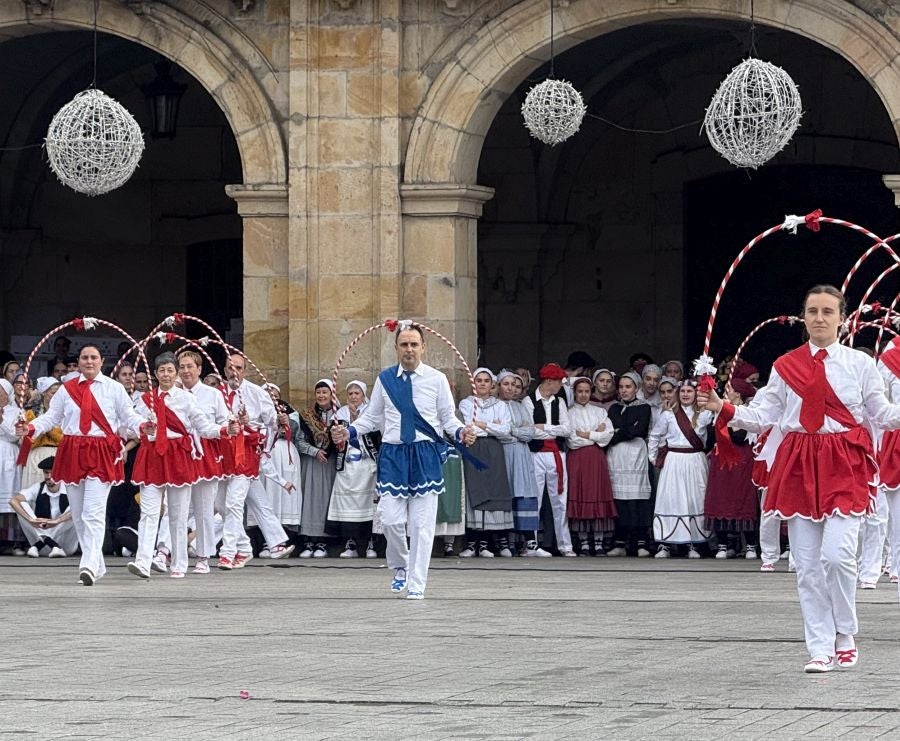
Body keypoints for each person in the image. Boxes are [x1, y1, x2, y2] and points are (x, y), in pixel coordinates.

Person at [699, 284, 900, 673]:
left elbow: (882, 413)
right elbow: (764, 416)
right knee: (807, 565)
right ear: (803, 318)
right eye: (813, 311)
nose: (820, 318)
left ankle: (845, 631)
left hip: (845, 462)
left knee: (838, 556)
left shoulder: (860, 365)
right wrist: (723, 407)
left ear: (842, 319)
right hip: (798, 464)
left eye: (828, 312)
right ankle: (820, 647)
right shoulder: (785, 365)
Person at [331, 323, 475, 599]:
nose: (409, 349)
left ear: (423, 347)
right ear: (396, 348)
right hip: (394, 454)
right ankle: (401, 564)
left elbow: (448, 417)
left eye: (414, 344)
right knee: (389, 519)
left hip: (424, 454)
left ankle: (417, 583)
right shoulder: (385, 379)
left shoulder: (436, 379)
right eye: (404, 344)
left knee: (422, 524)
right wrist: (349, 431)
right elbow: (372, 417)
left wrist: (460, 432)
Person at [16, 343, 148, 585]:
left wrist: (143, 425)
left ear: (101, 362)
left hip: (100, 451)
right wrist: (31, 428)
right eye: (85, 357)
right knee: (77, 514)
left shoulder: (114, 388)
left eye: (93, 357)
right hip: (73, 451)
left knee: (92, 512)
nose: (89, 361)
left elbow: (129, 415)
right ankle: (97, 563)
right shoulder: (66, 390)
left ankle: (87, 564)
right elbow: (51, 417)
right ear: (79, 362)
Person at [127, 353, 233, 579]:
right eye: (161, 370)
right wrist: (142, 427)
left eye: (170, 370)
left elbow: (204, 427)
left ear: (175, 374)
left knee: (178, 513)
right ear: (155, 374)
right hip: (152, 456)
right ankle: (143, 561)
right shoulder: (145, 400)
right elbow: (129, 424)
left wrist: (224, 430)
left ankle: (179, 562)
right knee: (149, 512)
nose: (166, 374)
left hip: (178, 456)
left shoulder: (186, 399)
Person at [215, 353, 279, 570]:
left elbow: (272, 422)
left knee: (234, 502)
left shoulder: (256, 393)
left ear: (245, 370)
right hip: (223, 454)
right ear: (225, 370)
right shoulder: (218, 393)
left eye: (239, 368)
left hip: (246, 455)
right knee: (220, 504)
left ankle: (227, 552)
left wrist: (251, 425)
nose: (234, 372)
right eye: (230, 368)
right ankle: (244, 547)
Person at [177, 350, 229, 574]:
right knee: (174, 508)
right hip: (179, 454)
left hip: (205, 454)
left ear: (199, 369)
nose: (186, 371)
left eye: (190, 366)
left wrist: (225, 428)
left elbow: (224, 421)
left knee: (204, 508)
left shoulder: (212, 394)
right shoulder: (173, 393)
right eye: (182, 367)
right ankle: (167, 551)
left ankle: (203, 556)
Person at [648, 379, 713, 558]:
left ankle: (694, 544)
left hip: (695, 460)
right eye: (682, 391)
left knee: (695, 499)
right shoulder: (669, 414)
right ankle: (665, 544)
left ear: (696, 393)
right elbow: (655, 435)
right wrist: (653, 458)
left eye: (689, 391)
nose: (685, 394)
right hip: (674, 461)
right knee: (671, 499)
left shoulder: (705, 414)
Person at [458, 368, 514, 557]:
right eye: (479, 380)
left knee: (495, 490)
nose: (482, 383)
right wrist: (492, 425)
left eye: (486, 381)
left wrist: (482, 424)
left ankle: (486, 543)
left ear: (492, 385)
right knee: (475, 490)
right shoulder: (467, 403)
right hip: (474, 448)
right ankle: (472, 543)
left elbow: (505, 430)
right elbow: (467, 427)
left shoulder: (500, 405)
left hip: (494, 450)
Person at [704, 375, 760, 560]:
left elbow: (740, 437)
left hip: (741, 461)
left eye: (730, 389)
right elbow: (710, 438)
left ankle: (750, 545)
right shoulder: (718, 411)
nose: (725, 392)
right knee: (720, 499)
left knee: (744, 499)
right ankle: (723, 544)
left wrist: (728, 423)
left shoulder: (748, 412)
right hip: (721, 462)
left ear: (738, 393)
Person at [523, 363, 576, 557]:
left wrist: (544, 427)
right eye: (558, 381)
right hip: (536, 454)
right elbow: (530, 431)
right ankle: (532, 544)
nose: (560, 385)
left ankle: (565, 545)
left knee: (560, 500)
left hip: (556, 454)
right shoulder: (528, 401)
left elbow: (567, 429)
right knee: (535, 499)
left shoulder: (559, 402)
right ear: (549, 381)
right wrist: (552, 430)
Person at [496, 370, 548, 556]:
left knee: (524, 494)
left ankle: (530, 542)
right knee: (507, 494)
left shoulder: (521, 407)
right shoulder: (494, 406)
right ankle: (506, 542)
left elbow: (530, 433)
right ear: (498, 386)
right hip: (503, 454)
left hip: (522, 455)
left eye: (514, 385)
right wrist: (517, 431)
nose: (510, 388)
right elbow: (499, 433)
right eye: (506, 384)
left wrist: (513, 431)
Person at [327, 381, 379, 558]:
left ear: (364, 396)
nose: (354, 396)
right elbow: (332, 440)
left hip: (367, 465)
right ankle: (351, 544)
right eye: (350, 393)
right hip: (347, 465)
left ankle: (371, 543)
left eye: (357, 393)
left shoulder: (371, 412)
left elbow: (376, 436)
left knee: (369, 504)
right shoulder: (340, 414)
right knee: (347, 506)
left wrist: (357, 421)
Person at [566, 377, 616, 555]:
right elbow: (572, 439)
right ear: (574, 393)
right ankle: (584, 542)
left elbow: (608, 435)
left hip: (596, 459)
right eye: (580, 391)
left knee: (597, 495)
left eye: (587, 391)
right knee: (581, 495)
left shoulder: (599, 412)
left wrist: (587, 434)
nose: (583, 395)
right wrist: (595, 434)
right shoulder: (568, 413)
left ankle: (599, 542)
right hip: (577, 459)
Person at [606, 372, 652, 557]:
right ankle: (620, 542)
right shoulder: (614, 408)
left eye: (628, 387)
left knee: (638, 500)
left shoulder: (644, 407)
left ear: (636, 388)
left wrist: (619, 432)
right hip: (617, 456)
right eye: (621, 387)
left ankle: (641, 542)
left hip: (636, 455)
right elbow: (612, 429)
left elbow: (639, 430)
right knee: (620, 500)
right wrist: (623, 430)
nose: (624, 390)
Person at [296, 379, 339, 557]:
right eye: (318, 392)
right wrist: (314, 451)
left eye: (324, 392)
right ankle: (308, 541)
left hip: (330, 464)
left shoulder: (340, 414)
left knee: (326, 500)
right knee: (310, 500)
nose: (321, 396)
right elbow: (298, 440)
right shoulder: (306, 415)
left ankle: (323, 542)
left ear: (331, 394)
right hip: (311, 462)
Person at [9, 456, 77, 557]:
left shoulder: (70, 488)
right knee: (21, 505)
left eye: (52, 473)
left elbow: (83, 507)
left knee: (76, 507)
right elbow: (13, 501)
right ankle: (50, 543)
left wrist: (57, 521)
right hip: (43, 550)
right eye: (46, 472)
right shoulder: (38, 487)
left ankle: (43, 543)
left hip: (65, 547)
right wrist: (31, 520)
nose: (48, 476)